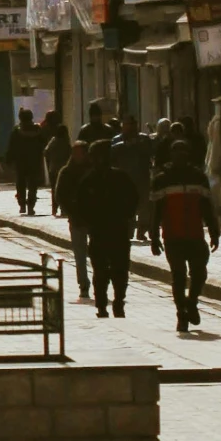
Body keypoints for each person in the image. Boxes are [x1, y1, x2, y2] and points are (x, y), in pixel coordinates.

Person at [148, 140, 220, 333]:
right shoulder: (162, 179)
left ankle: (192, 302)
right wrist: (153, 236)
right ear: (171, 155)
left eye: (183, 153)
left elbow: (207, 207)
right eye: (176, 153)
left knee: (199, 273)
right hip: (172, 237)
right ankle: (182, 313)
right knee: (178, 276)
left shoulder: (199, 178)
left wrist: (214, 231)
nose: (180, 156)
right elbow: (156, 211)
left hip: (195, 235)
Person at [73, 139, 139, 318]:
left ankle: (118, 302)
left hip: (118, 231)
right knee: (100, 271)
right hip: (99, 232)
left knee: (120, 271)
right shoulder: (88, 181)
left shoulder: (120, 177)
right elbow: (80, 205)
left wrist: (126, 217)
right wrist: (89, 222)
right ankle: (101, 305)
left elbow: (133, 200)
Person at [52, 140, 94, 302]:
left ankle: (99, 282)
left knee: (97, 254)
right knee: (80, 255)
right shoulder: (66, 172)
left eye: (80, 152)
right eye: (75, 152)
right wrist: (70, 211)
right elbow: (59, 195)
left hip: (93, 219)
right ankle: (83, 285)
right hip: (76, 219)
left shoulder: (93, 170)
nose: (77, 155)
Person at [110, 114, 155, 242]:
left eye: (133, 125)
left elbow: (150, 153)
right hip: (124, 180)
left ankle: (142, 230)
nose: (131, 128)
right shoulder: (116, 141)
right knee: (127, 207)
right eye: (127, 125)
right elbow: (112, 158)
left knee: (144, 206)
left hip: (142, 178)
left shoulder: (143, 139)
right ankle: (128, 231)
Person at [5, 109, 46, 216]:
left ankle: (22, 205)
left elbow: (11, 147)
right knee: (33, 185)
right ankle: (31, 207)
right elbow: (44, 144)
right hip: (34, 161)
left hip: (21, 162)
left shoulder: (16, 131)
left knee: (20, 184)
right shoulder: (38, 130)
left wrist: (8, 160)